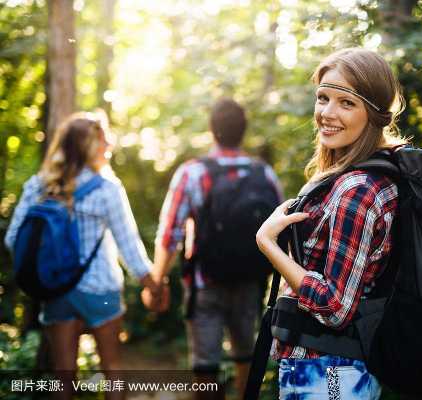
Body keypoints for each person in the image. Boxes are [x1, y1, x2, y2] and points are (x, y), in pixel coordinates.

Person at [255, 48, 406, 399]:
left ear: (374, 112)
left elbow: (335, 306)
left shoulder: (357, 190)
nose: (327, 113)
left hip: (328, 375)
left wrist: (267, 244)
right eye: (323, 98)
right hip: (340, 371)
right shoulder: (373, 175)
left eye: (346, 103)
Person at [4, 112, 163, 400]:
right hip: (100, 290)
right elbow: (130, 248)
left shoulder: (39, 186)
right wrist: (154, 287)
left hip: (56, 290)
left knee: (63, 374)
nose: (109, 145)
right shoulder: (107, 189)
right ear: (89, 146)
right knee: (112, 369)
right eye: (104, 140)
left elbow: (12, 238)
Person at [147, 98, 283, 400]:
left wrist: (156, 282)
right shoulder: (263, 173)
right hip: (250, 281)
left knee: (205, 366)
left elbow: (170, 233)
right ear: (243, 131)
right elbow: (281, 231)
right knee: (247, 356)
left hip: (204, 283)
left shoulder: (192, 173)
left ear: (212, 130)